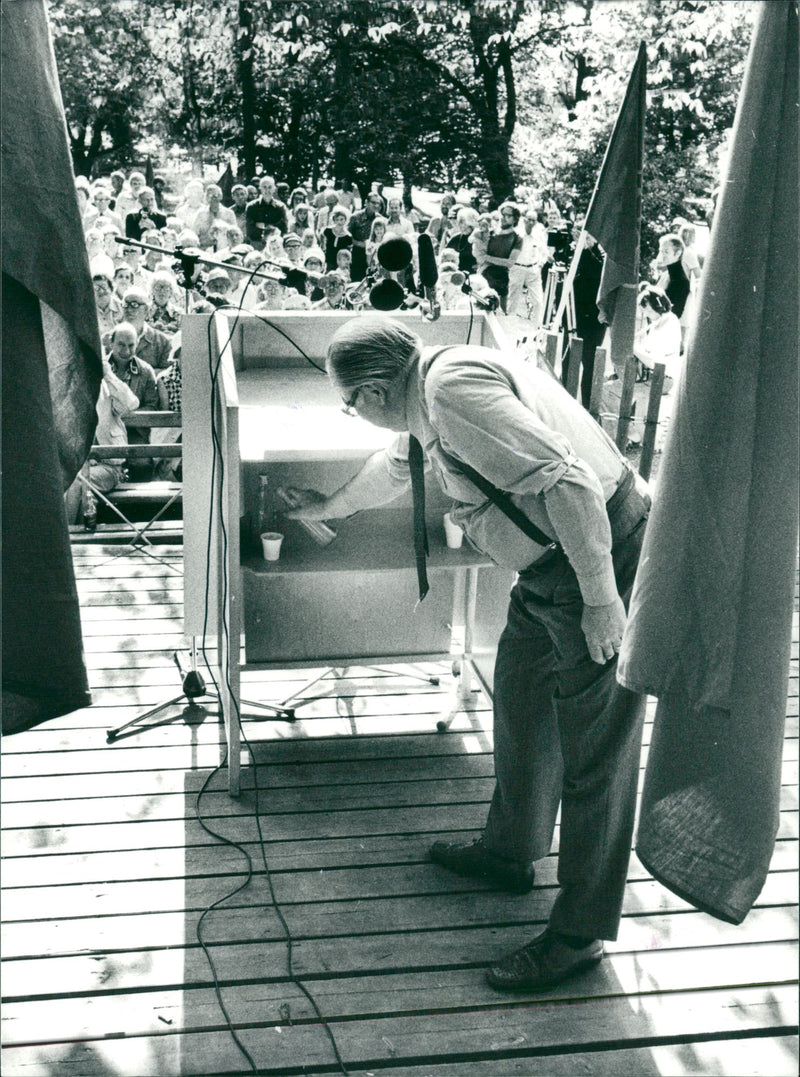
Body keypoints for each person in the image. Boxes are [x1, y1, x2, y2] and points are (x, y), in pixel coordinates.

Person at [285, 316, 650, 993]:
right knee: (521, 696)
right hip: (550, 569)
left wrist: (602, 598)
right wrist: (329, 506)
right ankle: (512, 852)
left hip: (597, 556)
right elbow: (393, 470)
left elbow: (568, 483)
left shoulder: (451, 392)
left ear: (373, 391)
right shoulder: (426, 395)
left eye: (348, 402)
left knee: (597, 746)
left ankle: (580, 933)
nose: (351, 412)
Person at [64, 353, 140, 524]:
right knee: (75, 488)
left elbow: (131, 403)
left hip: (109, 467)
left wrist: (108, 374)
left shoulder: (105, 388)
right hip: (79, 467)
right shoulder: (67, 392)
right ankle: (75, 534)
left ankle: (69, 534)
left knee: (78, 482)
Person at [105, 321, 159, 480]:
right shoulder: (99, 368)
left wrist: (125, 415)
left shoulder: (146, 371)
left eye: (131, 345)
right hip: (104, 433)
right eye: (121, 345)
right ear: (111, 343)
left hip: (135, 433)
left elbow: (152, 406)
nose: (126, 351)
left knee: (142, 464)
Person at [482, 203, 522, 313]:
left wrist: (487, 258)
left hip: (500, 280)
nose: (504, 218)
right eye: (502, 214)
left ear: (515, 219)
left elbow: (510, 262)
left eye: (508, 215)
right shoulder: (490, 233)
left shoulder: (517, 239)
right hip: (483, 278)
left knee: (500, 314)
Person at [245, 175, 289, 247]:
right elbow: (250, 231)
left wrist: (262, 226)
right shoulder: (251, 207)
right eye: (264, 187)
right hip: (256, 244)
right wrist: (272, 228)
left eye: (270, 187)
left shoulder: (281, 207)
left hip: (276, 245)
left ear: (274, 189)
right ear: (260, 188)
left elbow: (284, 229)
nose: (267, 190)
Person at [654, 233, 690, 320]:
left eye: (666, 252)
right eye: (661, 251)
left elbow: (675, 314)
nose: (662, 255)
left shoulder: (681, 281)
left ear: (678, 253)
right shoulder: (665, 274)